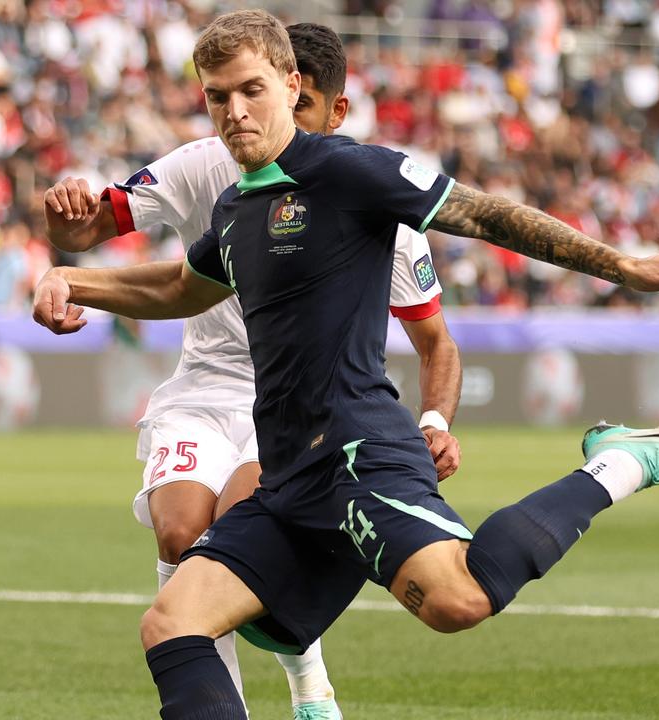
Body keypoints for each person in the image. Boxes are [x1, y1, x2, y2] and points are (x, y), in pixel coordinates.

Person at [32, 11, 659, 720]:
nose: (234, 110)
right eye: (218, 96)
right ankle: (309, 687)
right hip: (287, 478)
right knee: (171, 621)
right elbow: (181, 289)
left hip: (356, 451)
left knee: (459, 599)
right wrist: (70, 281)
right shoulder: (235, 205)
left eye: (250, 89)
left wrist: (623, 265)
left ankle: (620, 464)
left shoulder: (350, 170)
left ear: (289, 82)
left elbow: (485, 215)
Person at [41, 23, 464, 720]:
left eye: (295, 106)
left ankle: (307, 680)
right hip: (204, 389)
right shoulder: (203, 165)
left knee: (241, 529)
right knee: (180, 533)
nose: (264, 121)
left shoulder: (372, 207)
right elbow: (89, 233)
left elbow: (435, 343)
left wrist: (434, 419)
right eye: (233, 96)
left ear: (331, 111)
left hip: (302, 409)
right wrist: (65, 228)